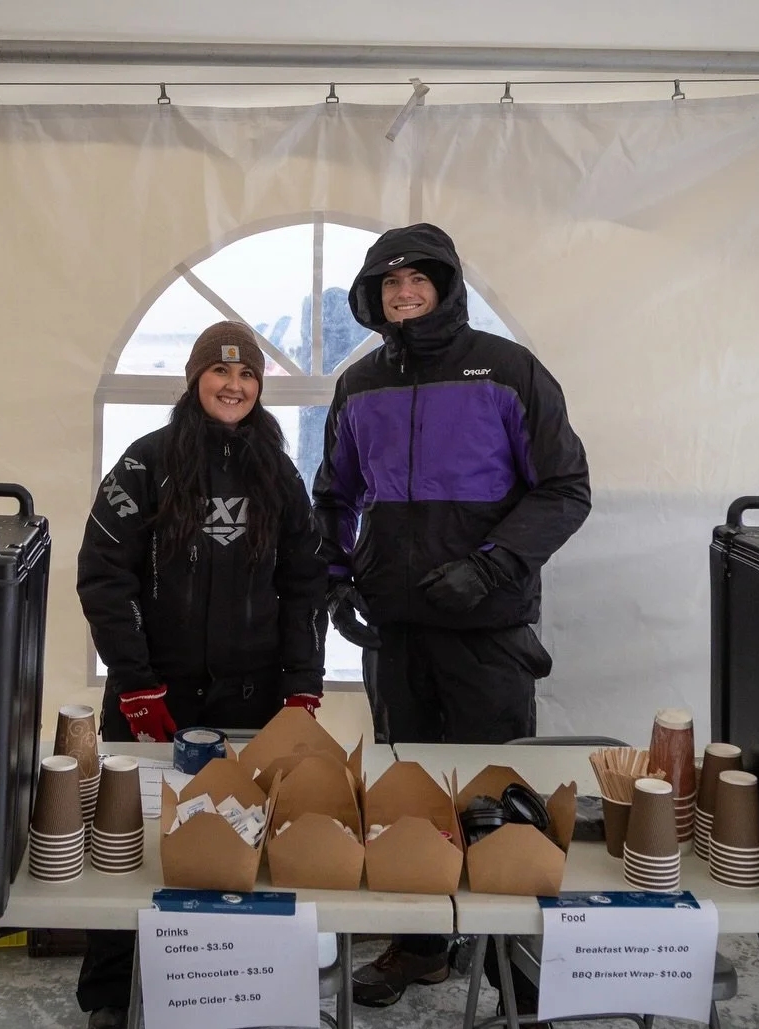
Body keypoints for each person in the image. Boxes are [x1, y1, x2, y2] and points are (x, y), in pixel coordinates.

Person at [313, 223, 591, 1014]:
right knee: (410, 798)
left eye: (417, 282)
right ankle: (424, 946)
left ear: (445, 287)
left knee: (497, 798)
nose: (404, 295)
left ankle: (513, 961)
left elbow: (565, 487)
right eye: (388, 285)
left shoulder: (508, 372)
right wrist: (338, 582)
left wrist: (491, 566)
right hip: (396, 629)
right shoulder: (359, 384)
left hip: (487, 631)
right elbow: (334, 495)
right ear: (373, 299)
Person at [75, 321, 327, 1029]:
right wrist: (135, 680)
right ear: (194, 380)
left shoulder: (279, 473)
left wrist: (303, 685)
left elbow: (307, 583)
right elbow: (101, 575)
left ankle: (231, 990)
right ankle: (107, 994)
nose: (233, 385)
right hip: (150, 698)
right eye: (220, 374)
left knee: (241, 844)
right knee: (128, 842)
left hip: (251, 700)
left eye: (246, 374)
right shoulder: (144, 464)